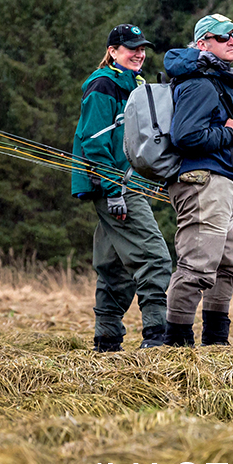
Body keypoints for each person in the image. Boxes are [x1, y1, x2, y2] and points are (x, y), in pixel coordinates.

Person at [71, 24, 172, 352]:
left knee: (114, 266)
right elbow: (93, 141)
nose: (139, 54)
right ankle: (156, 337)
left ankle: (107, 341)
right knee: (154, 257)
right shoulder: (103, 84)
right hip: (116, 187)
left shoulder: (136, 84)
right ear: (113, 51)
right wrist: (113, 189)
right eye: (131, 48)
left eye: (142, 48)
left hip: (130, 184)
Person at [161, 14, 233, 347]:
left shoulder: (214, 79)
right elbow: (186, 136)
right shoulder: (200, 82)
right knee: (197, 266)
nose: (232, 41)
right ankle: (177, 346)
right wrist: (230, 133)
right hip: (203, 184)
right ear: (202, 44)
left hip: (220, 185)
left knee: (229, 264)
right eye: (223, 36)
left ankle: (216, 343)